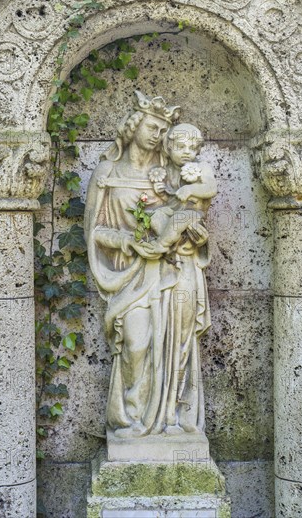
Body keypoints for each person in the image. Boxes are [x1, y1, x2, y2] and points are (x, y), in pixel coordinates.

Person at [84, 91, 212, 439]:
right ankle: (131, 419)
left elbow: (195, 215)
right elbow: (95, 232)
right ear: (134, 125)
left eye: (162, 130)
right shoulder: (108, 172)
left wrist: (195, 236)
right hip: (132, 273)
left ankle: (171, 418)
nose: (156, 135)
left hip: (176, 269)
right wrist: (129, 242)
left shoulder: (169, 176)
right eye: (152, 127)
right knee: (137, 345)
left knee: (177, 345)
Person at [144, 123, 217, 255]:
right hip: (173, 210)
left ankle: (162, 244)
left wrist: (191, 189)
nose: (187, 152)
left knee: (178, 219)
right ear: (169, 148)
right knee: (154, 216)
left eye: (192, 148)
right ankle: (173, 243)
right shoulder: (168, 170)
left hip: (194, 214)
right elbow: (174, 198)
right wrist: (162, 194)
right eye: (181, 147)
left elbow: (211, 188)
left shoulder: (202, 167)